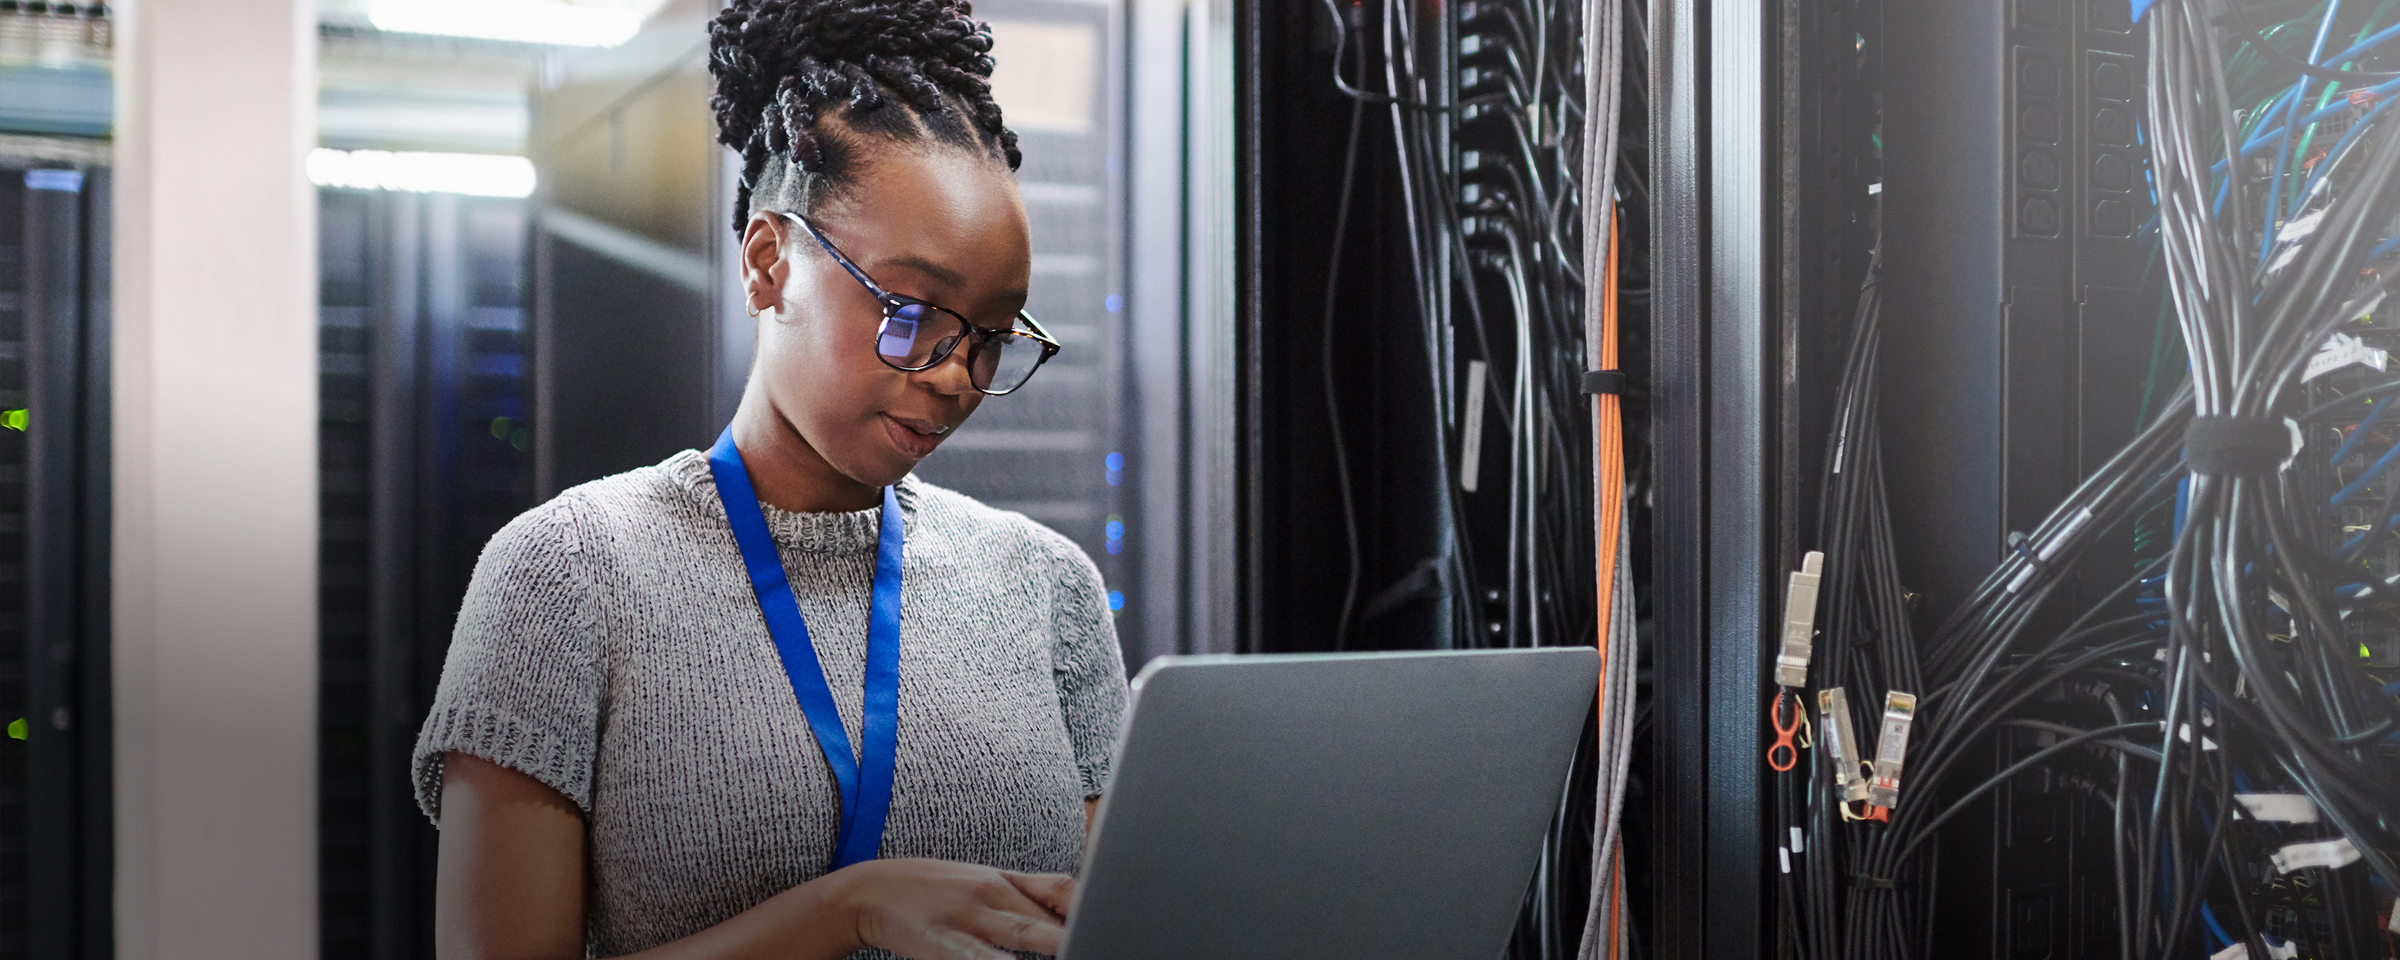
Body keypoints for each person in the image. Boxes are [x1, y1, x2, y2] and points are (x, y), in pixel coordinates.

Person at [410, 3, 1128, 958]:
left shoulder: (1047, 588)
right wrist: (847, 910)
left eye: (992, 336)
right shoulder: (566, 575)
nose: (956, 374)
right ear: (768, 263)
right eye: (912, 315)